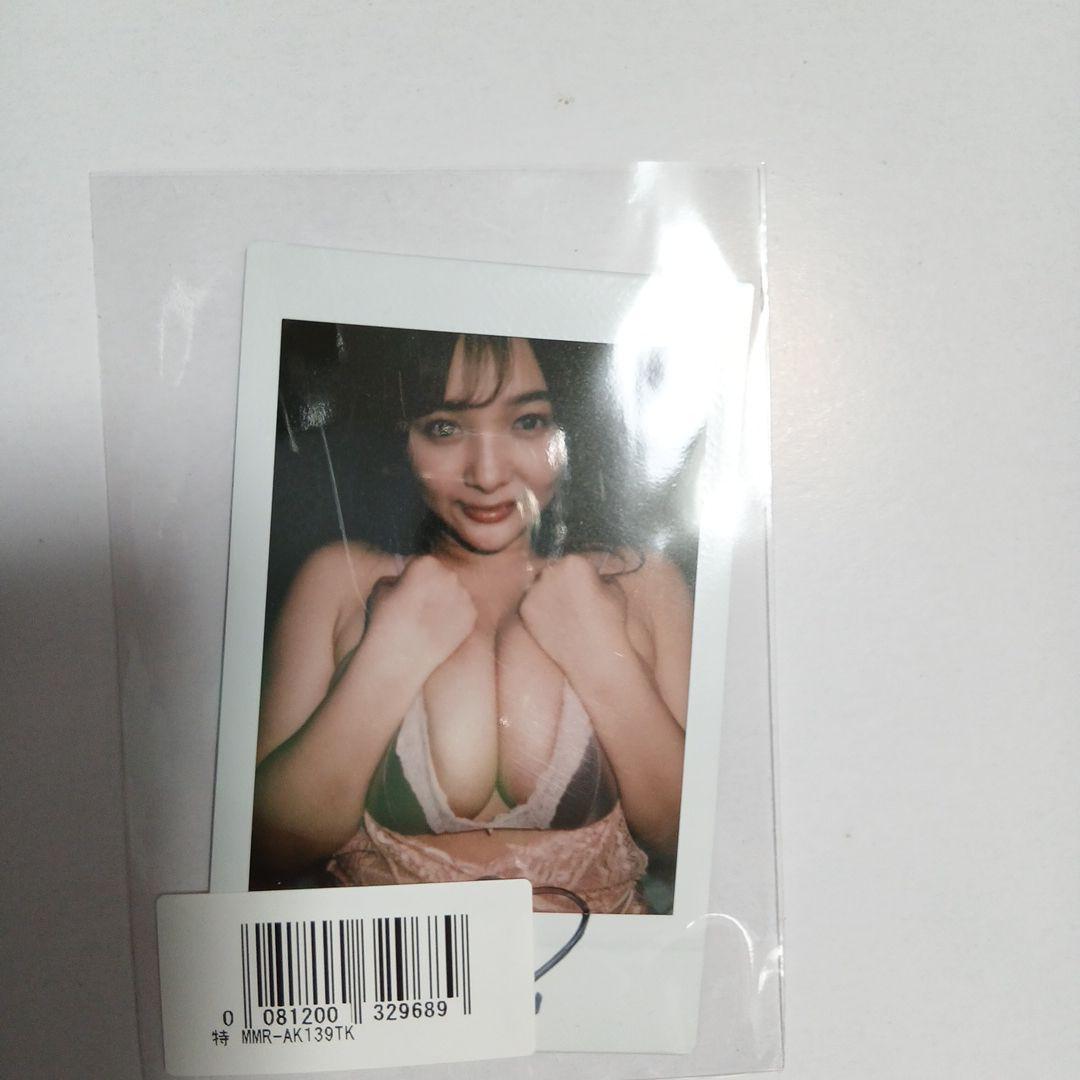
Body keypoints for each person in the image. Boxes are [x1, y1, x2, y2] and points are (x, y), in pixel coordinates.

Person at [251, 332, 693, 913]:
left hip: (602, 968)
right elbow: (268, 850)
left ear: (572, 426)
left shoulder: (642, 584)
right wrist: (385, 659)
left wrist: (602, 657)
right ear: (401, 438)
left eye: (528, 422)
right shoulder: (341, 582)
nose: (487, 474)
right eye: (444, 428)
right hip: (395, 968)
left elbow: (691, 844)